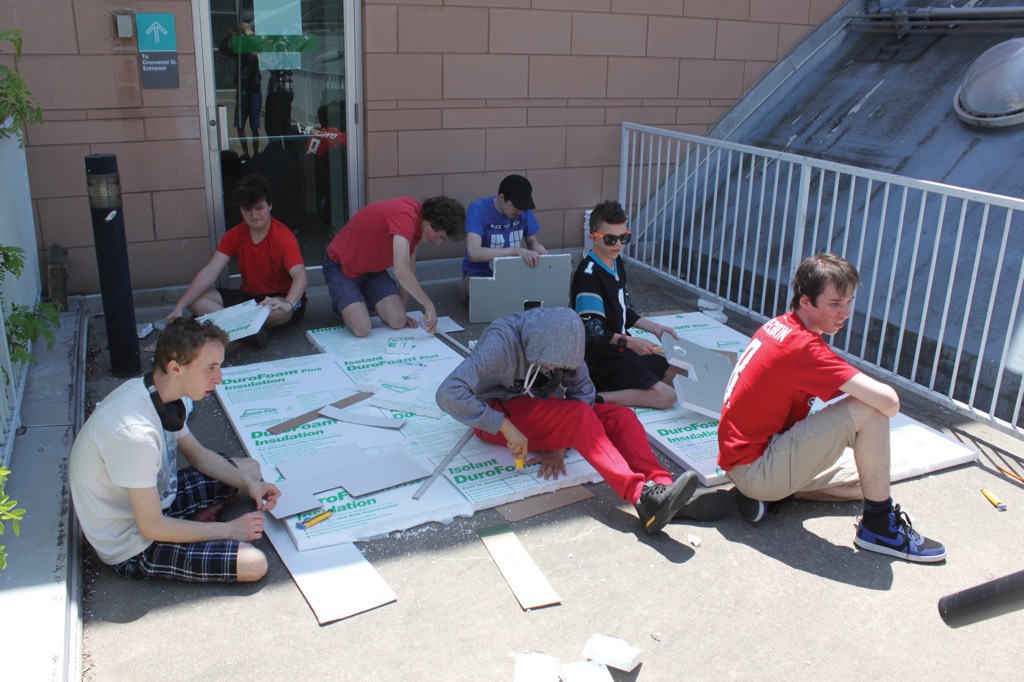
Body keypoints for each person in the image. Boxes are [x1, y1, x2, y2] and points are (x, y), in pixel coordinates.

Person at [717, 253, 946, 562]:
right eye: (835, 304)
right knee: (871, 411)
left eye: (850, 301)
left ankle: (771, 498)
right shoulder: (804, 347)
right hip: (756, 466)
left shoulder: (781, 325)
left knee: (869, 478)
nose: (846, 312)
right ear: (806, 302)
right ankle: (878, 528)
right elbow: (889, 402)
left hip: (748, 458)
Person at [436, 307, 730, 534]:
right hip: (496, 411)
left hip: (536, 405)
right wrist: (504, 426)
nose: (556, 370)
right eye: (552, 365)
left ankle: (661, 487)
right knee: (577, 415)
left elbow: (584, 392)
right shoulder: (500, 343)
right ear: (536, 347)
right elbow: (448, 394)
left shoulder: (565, 341)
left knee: (620, 416)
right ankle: (640, 497)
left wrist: (560, 444)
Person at [68, 318, 281, 582]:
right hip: (134, 542)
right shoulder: (135, 435)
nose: (219, 379)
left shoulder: (158, 395)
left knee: (251, 469)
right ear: (175, 367)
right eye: (211, 368)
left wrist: (250, 484)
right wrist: (228, 529)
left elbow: (199, 455)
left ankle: (195, 521)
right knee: (253, 564)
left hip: (154, 500)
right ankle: (200, 524)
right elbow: (152, 526)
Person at [167, 173, 308, 341]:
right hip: (250, 299)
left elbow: (300, 275)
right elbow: (210, 271)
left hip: (280, 297)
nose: (254, 215)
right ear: (241, 209)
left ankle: (233, 328)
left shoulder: (283, 236)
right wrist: (180, 306)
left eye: (259, 208)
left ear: (270, 205)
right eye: (247, 209)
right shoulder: (234, 235)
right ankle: (248, 334)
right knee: (194, 300)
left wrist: (288, 303)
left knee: (281, 313)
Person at [570, 200, 681, 409]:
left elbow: (625, 311)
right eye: (611, 239)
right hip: (602, 359)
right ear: (593, 237)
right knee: (667, 396)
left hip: (622, 349)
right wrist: (631, 343)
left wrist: (655, 328)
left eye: (624, 237)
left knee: (680, 375)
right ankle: (596, 397)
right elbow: (593, 333)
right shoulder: (589, 275)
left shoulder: (615, 262)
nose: (618, 244)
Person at [322, 195, 465, 337]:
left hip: (372, 271)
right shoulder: (405, 216)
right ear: (434, 223)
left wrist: (401, 310)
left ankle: (361, 298)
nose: (438, 243)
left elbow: (409, 271)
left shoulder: (419, 225)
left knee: (398, 321)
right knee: (361, 329)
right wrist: (429, 305)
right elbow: (401, 270)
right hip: (340, 267)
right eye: (441, 237)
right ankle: (345, 302)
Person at [457, 174, 549, 301]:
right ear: (501, 198)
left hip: (515, 273)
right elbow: (474, 253)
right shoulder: (478, 208)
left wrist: (538, 249)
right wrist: (515, 251)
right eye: (516, 206)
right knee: (477, 292)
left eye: (523, 207)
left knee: (549, 286)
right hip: (480, 275)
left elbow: (533, 241)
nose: (520, 212)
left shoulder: (523, 210)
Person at [219, 22, 261, 160]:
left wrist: (246, 33)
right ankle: (246, 153)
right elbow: (224, 50)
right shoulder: (240, 47)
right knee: (240, 123)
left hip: (254, 87)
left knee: (255, 125)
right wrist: (227, 37)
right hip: (243, 87)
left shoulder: (255, 43)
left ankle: (255, 153)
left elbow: (257, 52)